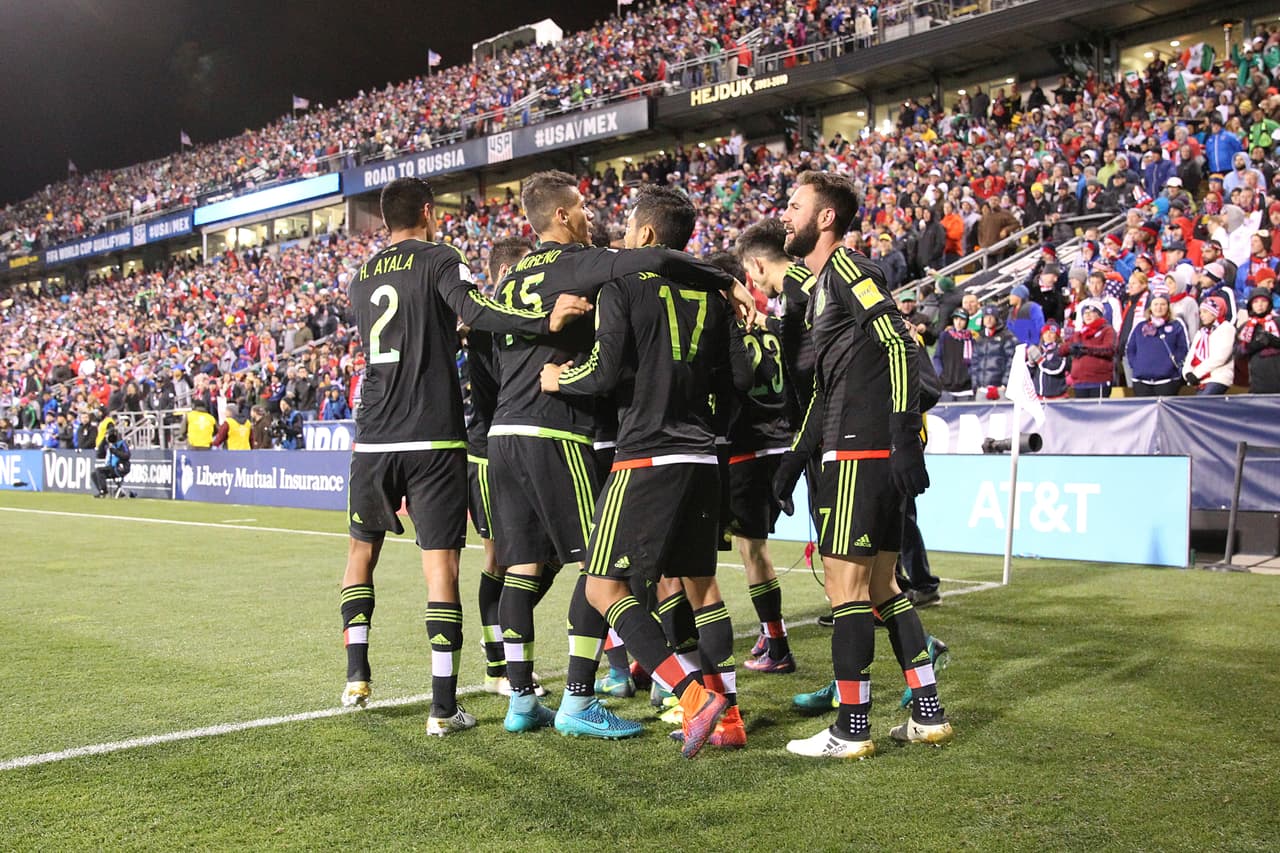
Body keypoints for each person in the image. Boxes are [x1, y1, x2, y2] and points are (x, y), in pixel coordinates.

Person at [484, 170, 748, 737]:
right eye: (580, 207)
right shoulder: (587, 265)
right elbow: (731, 373)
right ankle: (594, 699)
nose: (594, 219)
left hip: (504, 434)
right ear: (560, 215)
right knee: (610, 576)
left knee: (524, 571)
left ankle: (523, 699)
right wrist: (725, 278)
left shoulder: (507, 282)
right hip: (571, 437)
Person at [336, 176, 591, 736]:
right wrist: (540, 320)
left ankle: (356, 674)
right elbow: (474, 312)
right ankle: (443, 706)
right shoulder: (440, 257)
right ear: (428, 212)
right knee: (442, 567)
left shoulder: (360, 275)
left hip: (373, 433)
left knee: (361, 554)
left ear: (383, 220)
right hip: (432, 433)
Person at [772, 171, 950, 759]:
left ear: (826, 218)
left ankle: (851, 728)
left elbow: (900, 345)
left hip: (859, 450)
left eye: (795, 206)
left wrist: (903, 438)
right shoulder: (822, 284)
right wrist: (795, 461)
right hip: (856, 446)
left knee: (845, 593)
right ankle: (927, 714)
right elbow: (827, 386)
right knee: (883, 587)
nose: (785, 215)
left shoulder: (849, 270)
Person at [463, 236, 533, 697]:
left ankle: (509, 667)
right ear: (508, 272)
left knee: (525, 560)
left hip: (511, 448)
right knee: (500, 560)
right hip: (487, 453)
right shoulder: (487, 323)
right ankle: (497, 670)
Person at [1125, 294, 1189, 396]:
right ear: (1150, 306)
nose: (1159, 308)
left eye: (1162, 304)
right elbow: (1130, 348)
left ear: (1168, 306)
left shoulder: (1177, 325)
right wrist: (1136, 365)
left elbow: (1183, 348)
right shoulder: (1140, 326)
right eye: (1155, 304)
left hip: (1167, 381)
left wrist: (1172, 365)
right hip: (1141, 381)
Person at [1061, 301, 1116, 398]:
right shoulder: (1079, 333)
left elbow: (1109, 349)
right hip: (1080, 382)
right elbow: (1062, 350)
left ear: (1099, 314)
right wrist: (1070, 347)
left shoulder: (1107, 330)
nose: (1087, 315)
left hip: (1099, 380)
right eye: (1085, 313)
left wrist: (1085, 348)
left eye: (1092, 312)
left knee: (1098, 412)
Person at [1183, 296, 1236, 395]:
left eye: (1205, 312)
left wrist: (1196, 374)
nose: (1201, 315)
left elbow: (1220, 357)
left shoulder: (1226, 328)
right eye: (1200, 312)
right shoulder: (1201, 332)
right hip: (1201, 380)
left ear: (1215, 312)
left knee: (1201, 406)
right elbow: (1191, 355)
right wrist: (1187, 373)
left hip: (1218, 378)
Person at [1236, 287, 1280, 393]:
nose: (1259, 305)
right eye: (1255, 302)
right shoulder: (1245, 328)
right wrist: (1255, 344)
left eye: (1263, 301)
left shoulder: (1278, 322)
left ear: (1269, 303)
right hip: (1257, 379)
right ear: (1250, 305)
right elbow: (1238, 353)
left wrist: (1272, 340)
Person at [969, 305, 1018, 399]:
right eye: (986, 317)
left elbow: (1011, 362)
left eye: (991, 317)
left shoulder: (1006, 336)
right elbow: (974, 362)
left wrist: (1005, 384)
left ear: (996, 318)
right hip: (982, 389)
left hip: (1000, 389)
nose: (989, 319)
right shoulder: (980, 338)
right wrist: (975, 385)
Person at [937, 308, 976, 401]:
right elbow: (937, 357)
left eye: (962, 320)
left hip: (965, 388)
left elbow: (974, 361)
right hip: (946, 386)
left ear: (966, 322)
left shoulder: (971, 339)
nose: (958, 322)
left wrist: (969, 375)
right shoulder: (945, 336)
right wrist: (941, 374)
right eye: (956, 319)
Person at [1029, 324, 1069, 399]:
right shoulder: (1039, 350)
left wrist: (1039, 360)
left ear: (1057, 336)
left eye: (1051, 333)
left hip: (1056, 397)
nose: (1048, 335)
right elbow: (1029, 374)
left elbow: (1057, 368)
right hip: (1038, 397)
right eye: (1046, 332)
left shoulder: (1061, 350)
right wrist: (1031, 363)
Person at [91, 425, 131, 498]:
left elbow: (127, 456)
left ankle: (104, 491)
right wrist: (103, 441)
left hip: (120, 467)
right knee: (94, 474)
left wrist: (115, 451)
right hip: (110, 467)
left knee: (99, 470)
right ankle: (101, 490)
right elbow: (99, 454)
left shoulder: (121, 444)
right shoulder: (108, 444)